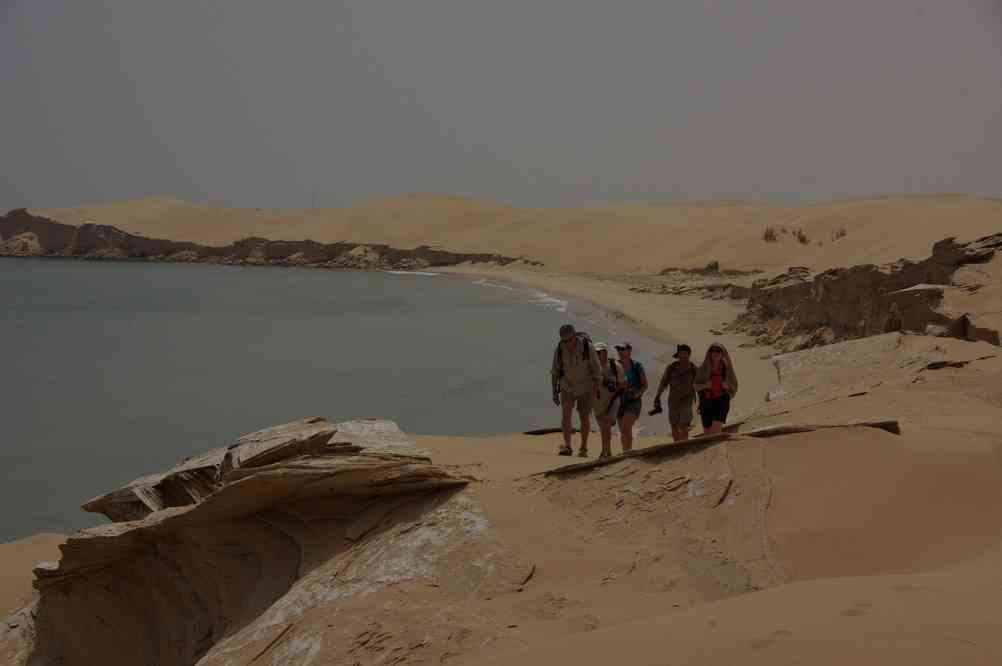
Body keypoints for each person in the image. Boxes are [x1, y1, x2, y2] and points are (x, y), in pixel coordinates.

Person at [551, 324, 602, 456]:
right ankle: (567, 446)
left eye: (569, 340)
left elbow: (597, 372)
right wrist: (554, 392)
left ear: (575, 336)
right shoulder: (560, 349)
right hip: (567, 386)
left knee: (584, 417)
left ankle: (583, 448)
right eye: (564, 340)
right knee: (566, 415)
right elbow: (555, 372)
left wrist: (595, 391)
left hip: (586, 387)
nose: (567, 343)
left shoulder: (587, 347)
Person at [652, 343, 697, 441]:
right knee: (674, 425)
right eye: (681, 354)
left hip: (687, 401)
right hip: (673, 401)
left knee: (683, 425)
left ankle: (684, 446)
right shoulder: (671, 368)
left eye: (685, 354)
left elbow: (700, 385)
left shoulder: (694, 369)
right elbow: (663, 382)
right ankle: (676, 446)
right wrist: (658, 396)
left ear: (689, 355)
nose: (682, 356)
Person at [694, 342, 739, 435]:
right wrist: (705, 386)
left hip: (721, 400)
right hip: (706, 402)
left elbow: (734, 386)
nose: (715, 353)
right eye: (712, 351)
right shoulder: (702, 369)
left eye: (718, 351)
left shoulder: (727, 369)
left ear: (723, 353)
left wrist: (728, 387)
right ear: (709, 353)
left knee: (715, 431)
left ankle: (717, 449)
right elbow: (695, 386)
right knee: (707, 432)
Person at [593, 342, 625, 459]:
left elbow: (623, 384)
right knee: (602, 428)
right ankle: (607, 450)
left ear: (605, 353)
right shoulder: (592, 367)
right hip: (597, 401)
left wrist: (613, 394)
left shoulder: (615, 366)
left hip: (612, 400)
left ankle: (605, 452)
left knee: (606, 425)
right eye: (595, 353)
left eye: (599, 352)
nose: (596, 355)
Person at [615, 342, 647, 452]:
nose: (620, 351)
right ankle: (626, 452)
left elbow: (645, 385)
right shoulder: (615, 365)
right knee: (623, 430)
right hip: (619, 400)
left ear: (629, 351)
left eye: (622, 349)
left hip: (634, 401)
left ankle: (628, 452)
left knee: (625, 427)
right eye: (618, 349)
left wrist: (637, 394)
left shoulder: (637, 366)